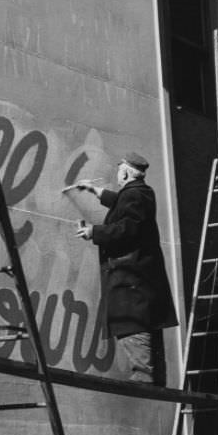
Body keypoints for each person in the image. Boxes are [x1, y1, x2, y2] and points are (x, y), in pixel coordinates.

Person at [74, 151, 178, 386]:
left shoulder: (134, 195)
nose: (117, 176)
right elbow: (123, 204)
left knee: (131, 321)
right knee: (145, 323)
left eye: (119, 172)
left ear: (124, 172)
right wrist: (95, 190)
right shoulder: (139, 194)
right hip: (140, 274)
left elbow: (127, 227)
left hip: (130, 274)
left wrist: (94, 232)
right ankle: (153, 375)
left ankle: (143, 375)